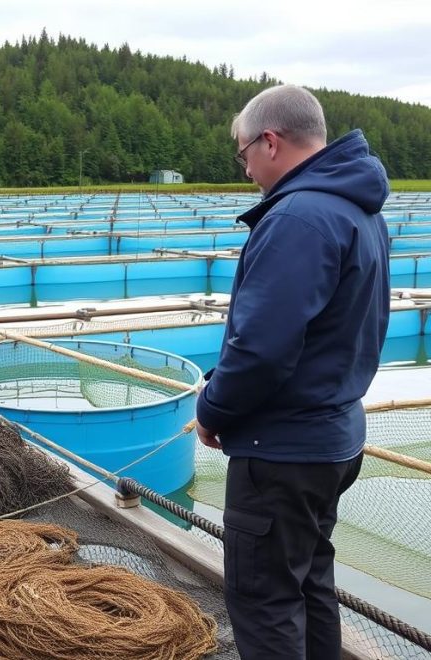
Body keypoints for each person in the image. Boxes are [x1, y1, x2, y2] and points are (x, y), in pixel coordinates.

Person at [195, 85, 390, 660]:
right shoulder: (355, 207)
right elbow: (319, 335)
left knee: (265, 603)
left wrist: (212, 408)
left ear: (270, 142)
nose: (247, 167)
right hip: (332, 440)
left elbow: (261, 351)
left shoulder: (298, 217)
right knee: (308, 587)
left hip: (282, 453)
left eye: (244, 152)